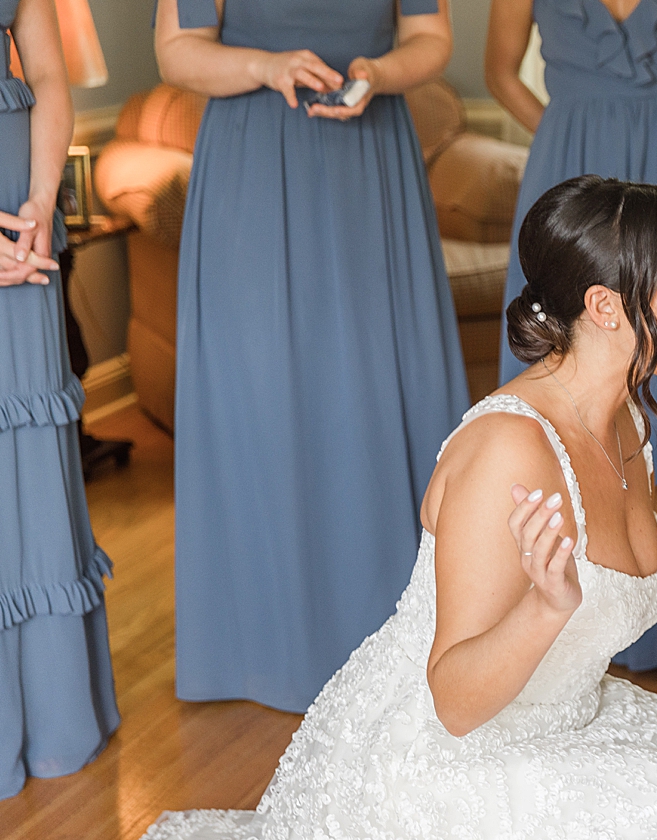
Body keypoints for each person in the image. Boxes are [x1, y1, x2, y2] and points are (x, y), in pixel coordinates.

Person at [0, 176, 657, 840]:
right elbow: (455, 699)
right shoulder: (507, 454)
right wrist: (548, 610)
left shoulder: (622, 411)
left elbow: (645, 550)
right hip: (452, 760)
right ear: (603, 305)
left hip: (564, 716)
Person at [155, 0, 471, 713]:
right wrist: (266, 68)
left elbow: (431, 37)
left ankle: (401, 635)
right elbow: (177, 52)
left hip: (369, 160)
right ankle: (262, 645)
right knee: (262, 389)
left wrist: (379, 72)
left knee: (373, 378)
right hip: (253, 160)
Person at [486, 0, 657, 691]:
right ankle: (542, 612)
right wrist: (567, 126)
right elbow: (500, 73)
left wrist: (654, 123)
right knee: (561, 365)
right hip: (568, 156)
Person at [0, 0, 117, 800]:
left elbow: (46, 72)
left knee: (31, 444)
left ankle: (48, 715)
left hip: (19, 216)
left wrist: (41, 208)